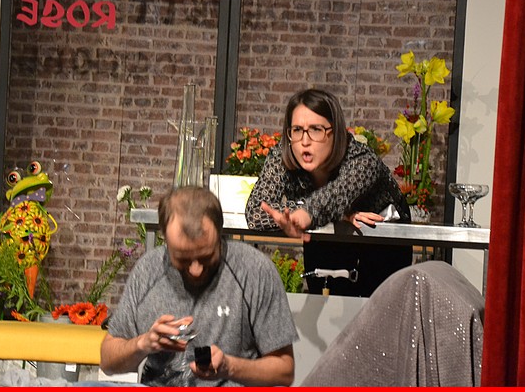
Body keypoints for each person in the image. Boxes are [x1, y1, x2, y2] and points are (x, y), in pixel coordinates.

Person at [100, 186, 298, 387]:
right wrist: (143, 344)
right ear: (165, 239)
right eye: (183, 259)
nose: (196, 270)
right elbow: (108, 362)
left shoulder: (253, 270)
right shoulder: (148, 271)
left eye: (206, 257)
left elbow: (284, 371)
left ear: (220, 233)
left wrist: (229, 367)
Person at [245, 88, 412, 297]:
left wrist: (308, 213)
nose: (305, 141)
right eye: (297, 130)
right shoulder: (282, 155)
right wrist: (333, 214)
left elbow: (337, 194)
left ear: (335, 132)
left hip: (381, 247)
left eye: (316, 129)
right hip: (326, 241)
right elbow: (256, 211)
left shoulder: (362, 158)